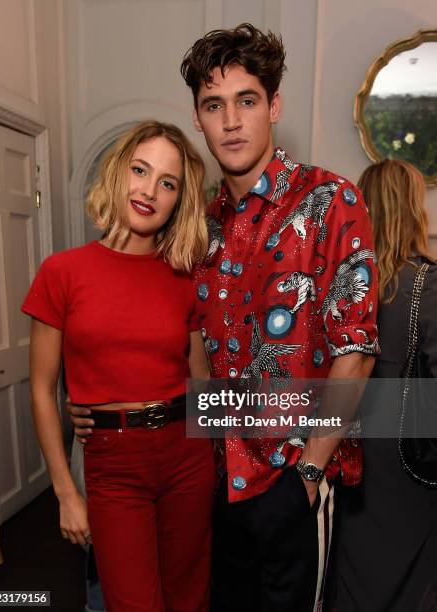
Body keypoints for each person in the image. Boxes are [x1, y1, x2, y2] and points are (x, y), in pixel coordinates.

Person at [70, 24, 379, 612]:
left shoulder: (329, 200)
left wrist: (309, 475)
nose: (231, 121)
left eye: (246, 100)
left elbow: (356, 350)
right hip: (210, 479)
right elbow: (157, 332)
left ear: (274, 106)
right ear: (198, 118)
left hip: (293, 475)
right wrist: (91, 399)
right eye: (214, 105)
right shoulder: (195, 228)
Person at [22, 120, 216, 612]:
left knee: (189, 599)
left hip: (185, 456)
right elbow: (43, 391)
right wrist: (66, 492)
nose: (149, 191)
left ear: (178, 199)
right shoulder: (62, 273)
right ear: (118, 172)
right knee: (131, 602)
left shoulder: (181, 277)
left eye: (167, 183)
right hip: (112, 463)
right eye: (140, 170)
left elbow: (200, 381)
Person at [334, 159, 437, 612]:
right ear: (412, 210)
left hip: (351, 457)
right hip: (410, 465)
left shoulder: (341, 288)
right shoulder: (428, 288)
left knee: (353, 580)